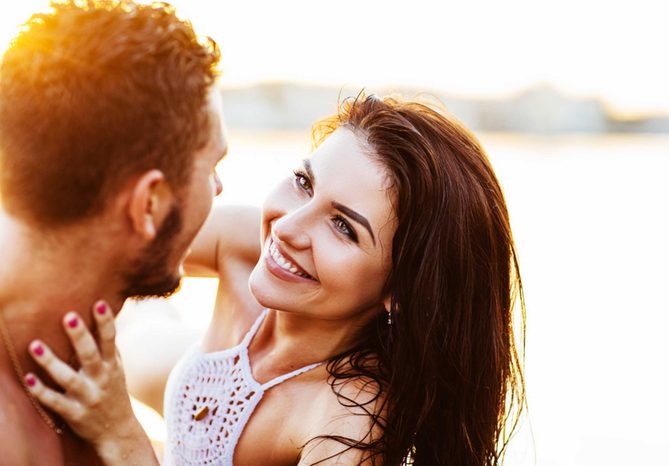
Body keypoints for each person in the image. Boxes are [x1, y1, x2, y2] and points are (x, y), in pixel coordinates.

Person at [26, 95, 526, 465]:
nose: (286, 226)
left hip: (165, 398)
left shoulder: (349, 421)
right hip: (178, 363)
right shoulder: (252, 242)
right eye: (305, 182)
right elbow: (108, 235)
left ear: (402, 291)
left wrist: (119, 433)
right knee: (138, 325)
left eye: (343, 227)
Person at [0, 1, 225, 464]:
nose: (219, 188)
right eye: (213, 167)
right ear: (149, 204)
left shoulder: (82, 373)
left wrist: (124, 437)